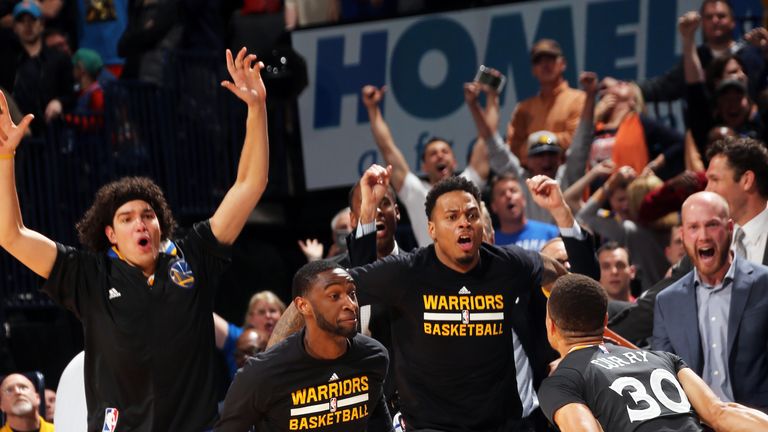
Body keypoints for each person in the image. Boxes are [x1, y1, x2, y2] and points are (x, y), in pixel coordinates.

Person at [0, 47, 269, 431]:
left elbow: (249, 184)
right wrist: (5, 160)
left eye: (148, 216)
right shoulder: (88, 275)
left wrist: (256, 109)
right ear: (110, 235)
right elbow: (11, 235)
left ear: (161, 226)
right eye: (126, 218)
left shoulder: (193, 256)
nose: (140, 223)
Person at [270, 165, 600, 431]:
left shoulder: (508, 264)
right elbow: (352, 284)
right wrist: (368, 208)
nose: (464, 224)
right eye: (452, 217)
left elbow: (581, 286)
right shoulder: (408, 272)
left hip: (503, 424)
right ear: (431, 229)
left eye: (470, 215)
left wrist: (560, 211)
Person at [538, 273, 768, 432]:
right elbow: (720, 413)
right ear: (605, 320)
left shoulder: (561, 382)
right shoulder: (662, 358)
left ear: (551, 326)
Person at [216, 261, 392, 432]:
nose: (351, 304)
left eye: (352, 293)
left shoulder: (373, 356)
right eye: (334, 296)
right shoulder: (262, 374)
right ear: (303, 306)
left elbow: (379, 423)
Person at [652, 192, 768, 409]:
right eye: (693, 227)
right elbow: (664, 378)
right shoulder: (667, 302)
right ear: (683, 234)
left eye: (712, 225)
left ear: (730, 229)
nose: (703, 236)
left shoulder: (764, 284)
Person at [361, 84, 488, 247]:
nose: (440, 155)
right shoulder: (416, 192)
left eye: (445, 151)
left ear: (455, 162)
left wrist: (484, 101)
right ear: (425, 166)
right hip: (433, 271)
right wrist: (372, 109)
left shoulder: (469, 184)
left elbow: (487, 138)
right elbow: (387, 147)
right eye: (433, 154)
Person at [506, 38, 585, 166]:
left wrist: (536, 142)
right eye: (538, 61)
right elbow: (513, 148)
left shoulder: (579, 99)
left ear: (563, 63)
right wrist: (551, 140)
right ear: (533, 70)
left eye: (551, 59)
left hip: (569, 176)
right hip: (533, 179)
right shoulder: (523, 107)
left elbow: (576, 141)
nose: (545, 64)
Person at [705, 136, 768, 265]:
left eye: (715, 179)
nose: (707, 191)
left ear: (747, 181)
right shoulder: (708, 237)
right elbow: (673, 282)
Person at [488, 172, 559, 250]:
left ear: (523, 199)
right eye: (502, 194)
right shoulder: (491, 244)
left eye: (513, 191)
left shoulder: (551, 233)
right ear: (494, 206)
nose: (508, 196)